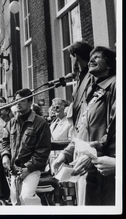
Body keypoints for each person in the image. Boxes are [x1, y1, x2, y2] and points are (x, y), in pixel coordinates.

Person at [52, 46, 116, 205]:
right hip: (83, 167)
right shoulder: (92, 94)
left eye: (98, 57)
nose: (92, 59)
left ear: (109, 65)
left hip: (103, 168)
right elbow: (80, 131)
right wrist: (65, 154)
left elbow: (114, 130)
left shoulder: (114, 86)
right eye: (91, 56)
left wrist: (94, 152)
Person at [0, 88, 51, 205]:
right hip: (14, 170)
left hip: (32, 169)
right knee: (15, 201)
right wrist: (5, 155)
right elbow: (4, 142)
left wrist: (28, 168)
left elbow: (43, 150)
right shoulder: (11, 123)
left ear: (30, 103)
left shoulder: (40, 123)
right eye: (16, 100)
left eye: (22, 100)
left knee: (27, 197)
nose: (18, 103)